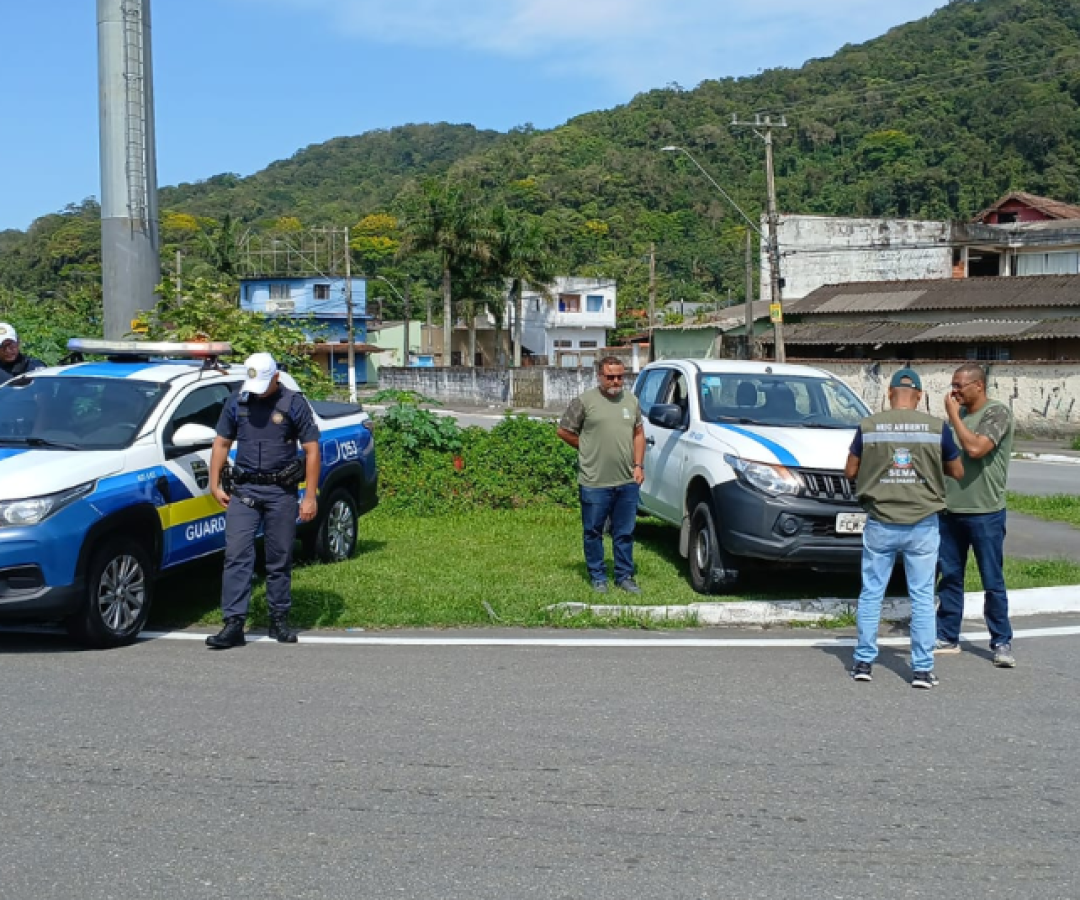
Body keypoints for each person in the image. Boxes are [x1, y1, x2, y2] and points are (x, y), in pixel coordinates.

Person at [845, 368, 963, 689]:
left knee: (872, 592)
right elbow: (957, 470)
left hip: (881, 520)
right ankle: (922, 670)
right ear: (921, 397)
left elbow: (850, 470)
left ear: (888, 393)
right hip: (923, 523)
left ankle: (863, 662)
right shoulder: (936, 429)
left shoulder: (869, 427)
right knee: (923, 596)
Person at [205, 353, 320, 649]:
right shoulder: (237, 402)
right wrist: (214, 483)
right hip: (244, 491)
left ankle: (278, 619)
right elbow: (221, 443)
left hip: (280, 492)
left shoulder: (294, 403)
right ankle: (233, 624)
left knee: (278, 559)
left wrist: (309, 496)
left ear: (277, 378)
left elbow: (311, 450)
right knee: (236, 556)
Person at [935, 363, 1017, 667]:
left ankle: (1001, 641)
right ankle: (947, 635)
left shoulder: (997, 414)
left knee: (992, 579)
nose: (953, 391)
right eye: (953, 385)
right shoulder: (959, 419)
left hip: (985, 512)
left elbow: (975, 449)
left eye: (959, 385)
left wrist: (953, 415)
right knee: (950, 576)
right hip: (950, 510)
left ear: (978, 386)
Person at [557, 356, 646, 595]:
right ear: (599, 376)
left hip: (627, 480)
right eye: (610, 377)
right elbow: (564, 430)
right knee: (593, 531)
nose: (616, 381)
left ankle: (624, 576)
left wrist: (638, 465)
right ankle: (598, 577)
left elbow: (639, 434)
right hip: (594, 481)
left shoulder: (632, 401)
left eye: (620, 376)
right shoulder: (585, 402)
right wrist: (585, 448)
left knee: (624, 532)